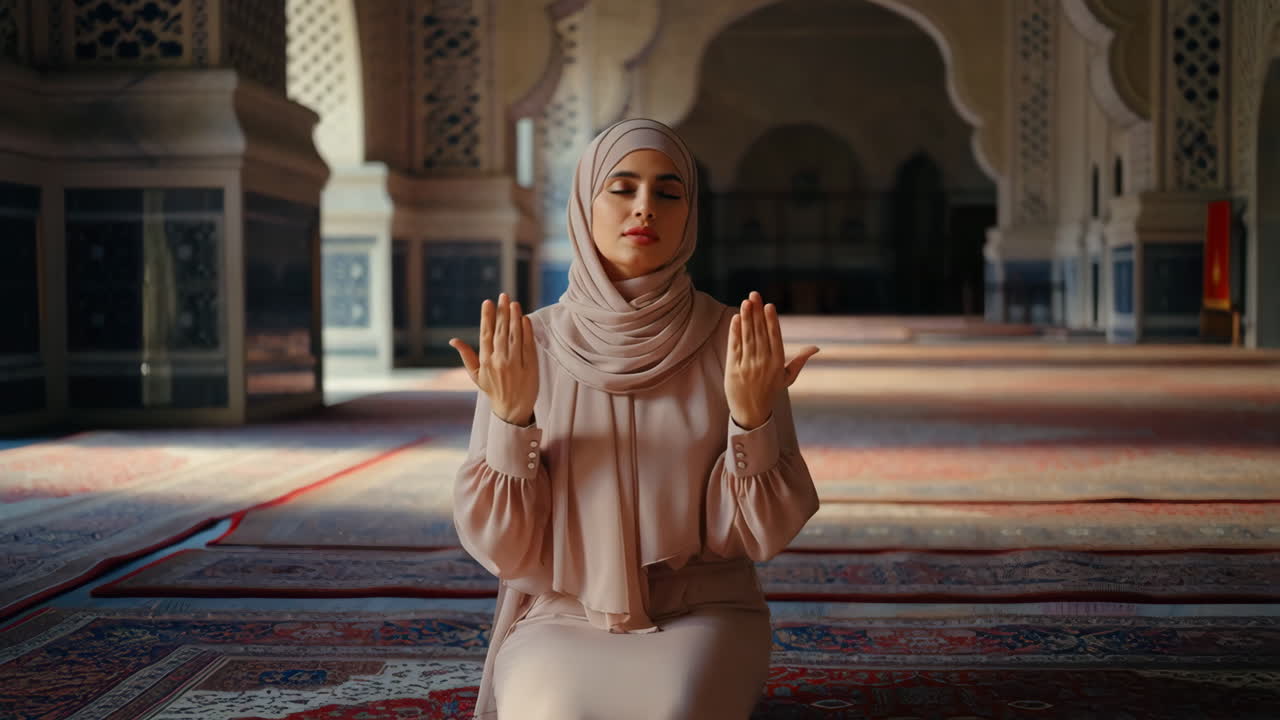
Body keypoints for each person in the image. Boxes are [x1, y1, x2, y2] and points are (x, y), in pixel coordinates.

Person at [448, 118, 821, 719]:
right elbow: (506, 550)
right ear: (584, 205)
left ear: (689, 214)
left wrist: (752, 423)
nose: (644, 208)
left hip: (704, 610)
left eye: (668, 193)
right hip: (562, 612)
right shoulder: (531, 345)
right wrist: (513, 419)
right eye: (621, 188)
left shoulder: (733, 340)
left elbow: (755, 537)